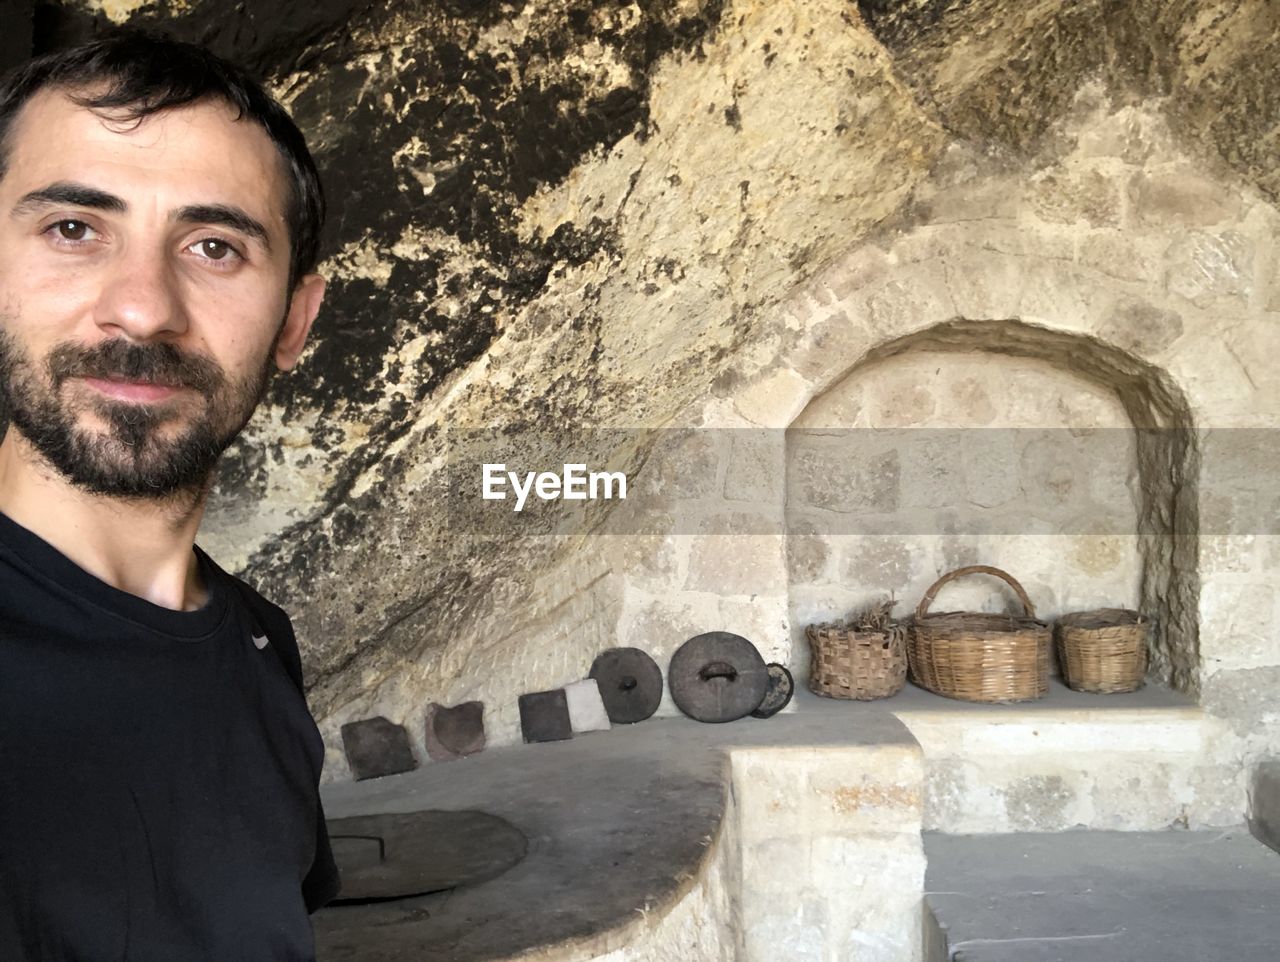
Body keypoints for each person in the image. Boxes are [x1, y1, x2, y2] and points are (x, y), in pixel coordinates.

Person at [0, 31, 340, 958]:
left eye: (215, 246)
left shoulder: (264, 647)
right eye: (74, 229)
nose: (144, 306)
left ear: (294, 322)